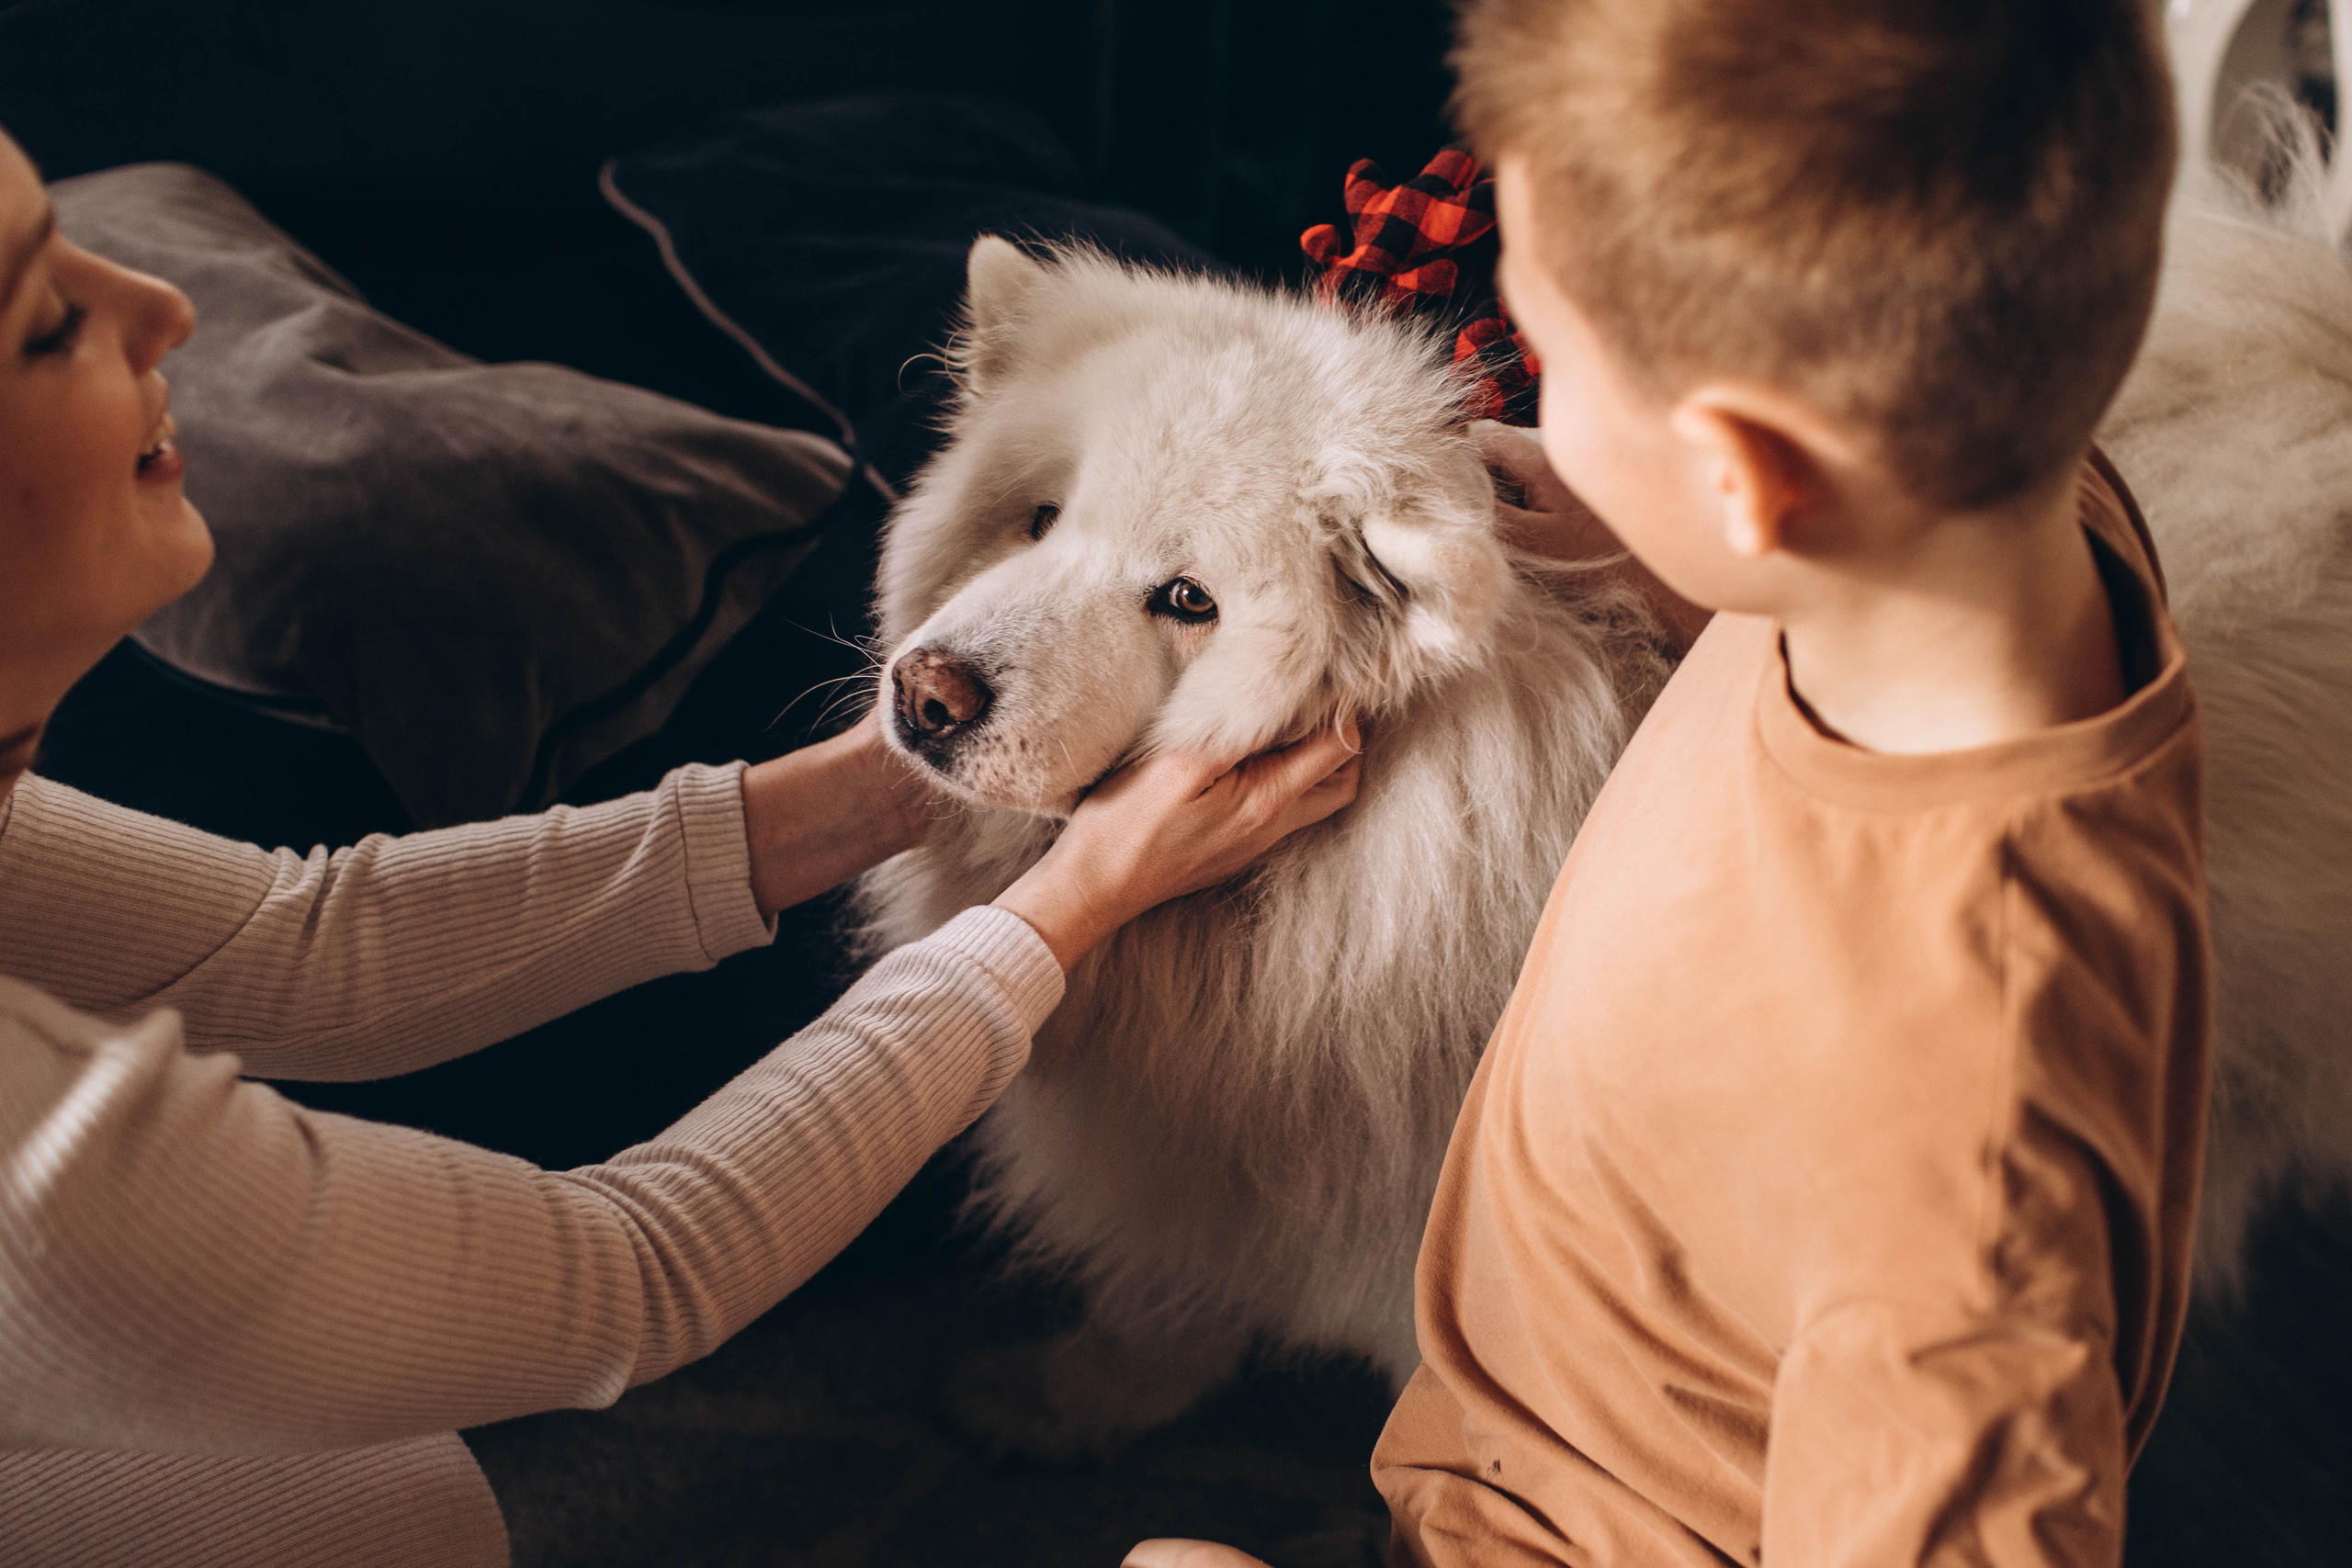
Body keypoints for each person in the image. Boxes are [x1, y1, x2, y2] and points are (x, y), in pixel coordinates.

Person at [0, 122, 1364, 1568]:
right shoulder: (36, 1174)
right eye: (42, 323)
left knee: (394, 1499)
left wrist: (878, 788)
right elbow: (623, 1279)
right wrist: (1071, 902)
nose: (162, 305)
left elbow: (300, 941)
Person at [1133, 1, 2207, 1563]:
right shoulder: (2000, 496)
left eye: (1546, 360)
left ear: (1749, 475)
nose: (1516, 398)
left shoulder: (1959, 1145)